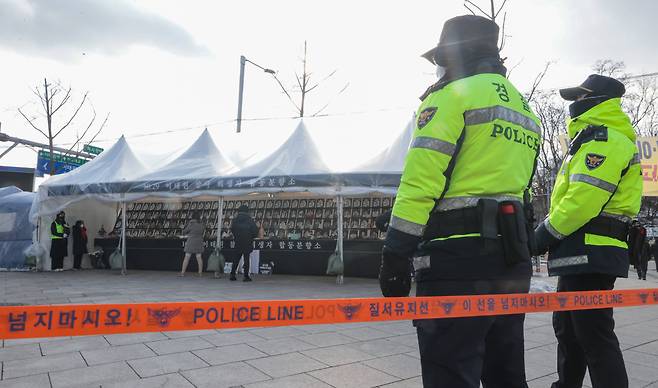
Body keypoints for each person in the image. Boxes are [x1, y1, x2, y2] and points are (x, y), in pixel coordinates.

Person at [380, 15, 540, 388]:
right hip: (512, 261)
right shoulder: (525, 109)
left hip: (457, 262)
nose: (438, 68)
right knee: (506, 374)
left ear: (456, 56)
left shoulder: (450, 97)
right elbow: (517, 187)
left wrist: (396, 252)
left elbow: (421, 181)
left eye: (441, 59)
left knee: (450, 372)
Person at [534, 74, 642, 388]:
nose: (575, 104)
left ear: (597, 100)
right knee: (568, 328)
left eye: (580, 97)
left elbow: (583, 201)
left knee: (593, 334)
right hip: (581, 250)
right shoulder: (589, 138)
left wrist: (542, 235)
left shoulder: (605, 140)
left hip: (592, 250)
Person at [230, 205, 258, 281]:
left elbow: (232, 229)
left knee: (236, 259)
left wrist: (237, 236)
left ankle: (232, 275)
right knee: (246, 259)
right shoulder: (250, 220)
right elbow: (255, 231)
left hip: (238, 241)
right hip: (247, 241)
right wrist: (251, 237)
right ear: (247, 211)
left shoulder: (235, 220)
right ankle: (246, 276)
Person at [180, 212, 204, 277]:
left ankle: (182, 273)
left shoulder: (191, 223)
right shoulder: (201, 224)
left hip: (191, 241)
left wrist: (183, 228)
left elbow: (184, 231)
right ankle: (200, 273)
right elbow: (202, 231)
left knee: (187, 257)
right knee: (199, 257)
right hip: (199, 242)